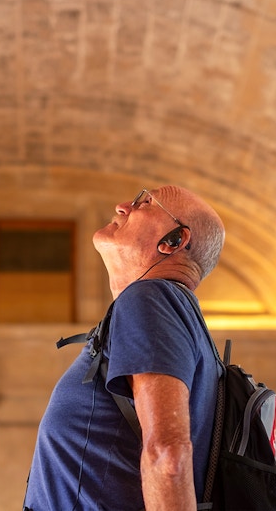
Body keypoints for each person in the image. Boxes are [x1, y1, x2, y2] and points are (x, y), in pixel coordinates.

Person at [23, 185, 226, 511]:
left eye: (144, 202)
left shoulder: (151, 299)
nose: (121, 206)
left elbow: (168, 454)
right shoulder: (171, 311)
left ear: (173, 240)